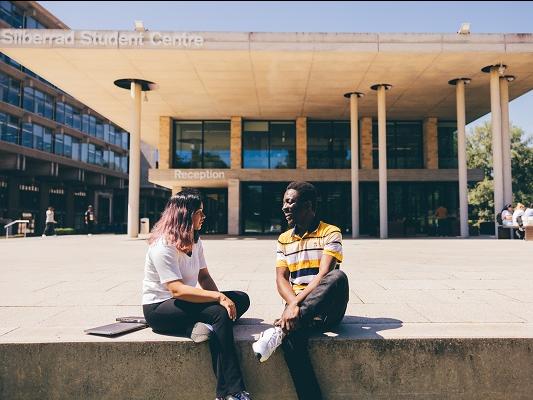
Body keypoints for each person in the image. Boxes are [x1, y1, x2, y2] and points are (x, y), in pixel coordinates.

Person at [142, 189, 252, 400]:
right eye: (199, 212)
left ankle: (202, 325)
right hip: (160, 308)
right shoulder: (162, 245)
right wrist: (219, 300)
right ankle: (232, 391)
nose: (203, 216)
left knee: (241, 298)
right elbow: (176, 289)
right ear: (185, 214)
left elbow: (204, 277)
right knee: (219, 314)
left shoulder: (195, 239)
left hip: (183, 303)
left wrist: (223, 298)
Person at [252, 181, 349, 400]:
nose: (284, 207)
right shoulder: (283, 239)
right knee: (292, 343)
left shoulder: (331, 232)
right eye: (284, 202)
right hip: (297, 307)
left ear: (308, 205)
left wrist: (295, 306)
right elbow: (281, 278)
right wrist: (292, 303)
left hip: (326, 308)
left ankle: (280, 330)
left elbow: (324, 274)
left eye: (290, 202)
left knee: (338, 277)